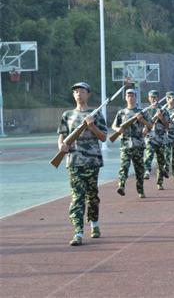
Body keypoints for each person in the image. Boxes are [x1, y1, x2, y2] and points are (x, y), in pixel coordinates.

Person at [57, 82, 107, 246]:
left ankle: (94, 224)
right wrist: (61, 146)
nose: (78, 94)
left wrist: (91, 126)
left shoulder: (96, 115)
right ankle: (78, 232)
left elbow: (103, 137)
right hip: (74, 161)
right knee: (77, 197)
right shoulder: (67, 115)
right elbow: (62, 135)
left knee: (92, 196)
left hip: (92, 161)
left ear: (88, 94)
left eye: (82, 91)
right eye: (76, 92)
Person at [112, 88, 151, 198]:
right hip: (125, 144)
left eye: (132, 95)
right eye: (128, 95)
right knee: (124, 166)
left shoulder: (142, 112)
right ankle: (121, 186)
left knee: (139, 169)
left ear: (135, 97)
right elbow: (114, 125)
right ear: (125, 98)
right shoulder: (121, 112)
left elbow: (150, 126)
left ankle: (140, 190)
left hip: (138, 144)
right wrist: (117, 130)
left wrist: (142, 120)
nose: (130, 97)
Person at [142, 90, 170, 190]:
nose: (153, 99)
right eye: (151, 97)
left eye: (155, 97)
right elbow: (141, 125)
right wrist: (144, 128)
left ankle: (160, 182)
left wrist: (161, 118)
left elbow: (167, 126)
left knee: (160, 161)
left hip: (161, 138)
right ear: (149, 98)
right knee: (149, 155)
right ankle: (147, 171)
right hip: (150, 138)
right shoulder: (146, 111)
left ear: (158, 98)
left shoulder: (163, 110)